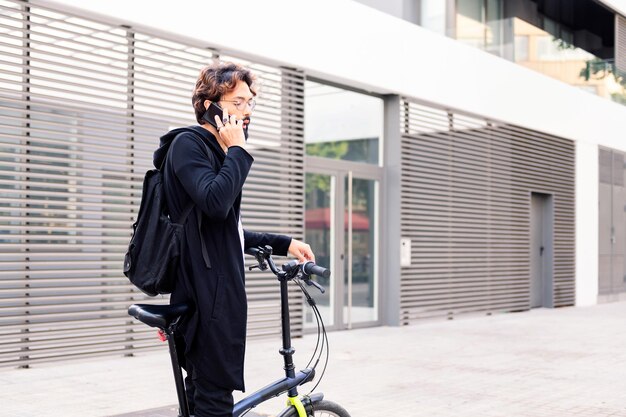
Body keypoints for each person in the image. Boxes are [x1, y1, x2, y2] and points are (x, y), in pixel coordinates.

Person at [153, 61, 315, 417]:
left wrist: (283, 242)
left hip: (214, 294)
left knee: (200, 402)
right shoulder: (188, 146)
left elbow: (225, 229)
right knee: (213, 404)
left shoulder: (216, 152)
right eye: (237, 103)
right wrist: (238, 150)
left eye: (249, 103)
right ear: (210, 104)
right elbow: (215, 203)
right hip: (206, 300)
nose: (245, 112)